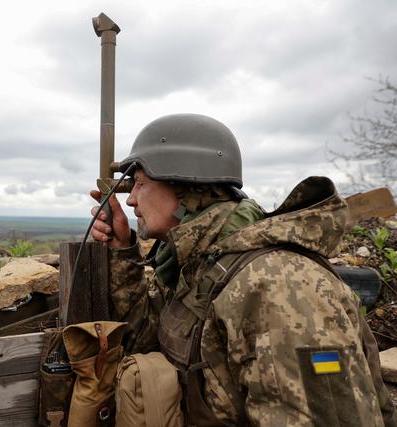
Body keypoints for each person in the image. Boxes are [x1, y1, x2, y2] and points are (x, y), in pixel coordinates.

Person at [89, 113, 396, 426]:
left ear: (185, 188)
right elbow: (148, 341)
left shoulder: (279, 285)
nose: (132, 201)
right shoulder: (201, 266)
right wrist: (122, 249)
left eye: (140, 184)